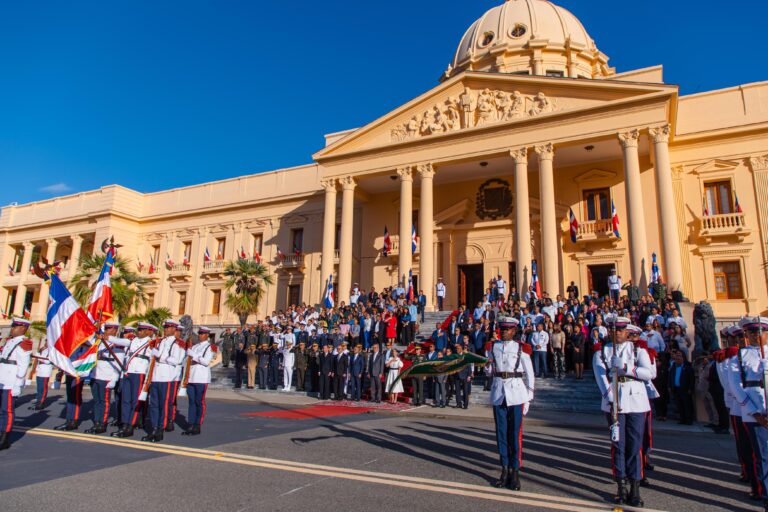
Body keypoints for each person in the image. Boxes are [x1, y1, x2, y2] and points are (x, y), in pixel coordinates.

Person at [593, 315, 653, 507]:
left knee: (635, 446)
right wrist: (611, 399)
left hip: (636, 401)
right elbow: (601, 379)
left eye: (621, 330)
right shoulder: (602, 352)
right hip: (615, 403)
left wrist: (626, 368)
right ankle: (621, 486)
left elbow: (649, 373)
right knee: (618, 446)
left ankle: (635, 487)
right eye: (614, 330)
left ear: (627, 331)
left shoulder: (638, 350)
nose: (617, 333)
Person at [488, 316, 534, 491]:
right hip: (499, 393)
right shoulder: (493, 347)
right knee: (501, 434)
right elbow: (491, 370)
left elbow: (530, 374)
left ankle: (515, 471)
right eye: (502, 329)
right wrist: (486, 366)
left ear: (514, 331)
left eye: (507, 329)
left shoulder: (522, 349)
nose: (503, 331)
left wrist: (529, 396)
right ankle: (504, 469)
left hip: (516, 394)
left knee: (514, 435)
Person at [727, 316, 768, 506]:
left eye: (760, 332)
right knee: (762, 456)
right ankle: (765, 493)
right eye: (752, 332)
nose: (756, 336)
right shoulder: (740, 357)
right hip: (755, 413)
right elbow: (736, 387)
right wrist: (756, 413)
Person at [111, 322, 157, 438]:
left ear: (147, 331)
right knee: (125, 400)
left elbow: (155, 358)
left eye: (141, 330)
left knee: (135, 401)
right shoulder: (133, 341)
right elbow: (120, 341)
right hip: (128, 372)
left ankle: (130, 426)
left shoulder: (151, 343)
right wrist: (106, 337)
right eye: (138, 330)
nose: (139, 332)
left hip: (140, 373)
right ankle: (125, 424)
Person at [142, 320, 184, 443]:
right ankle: (154, 428)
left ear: (174, 329)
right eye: (165, 327)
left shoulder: (178, 344)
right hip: (156, 376)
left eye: (168, 328)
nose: (165, 329)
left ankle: (160, 429)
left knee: (164, 405)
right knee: (153, 405)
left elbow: (176, 360)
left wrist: (161, 357)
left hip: (167, 377)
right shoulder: (160, 342)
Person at [86, 322, 126, 435]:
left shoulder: (118, 345)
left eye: (109, 329)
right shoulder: (99, 342)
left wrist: (114, 379)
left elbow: (119, 363)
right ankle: (97, 421)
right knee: (97, 401)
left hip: (107, 376)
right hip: (96, 375)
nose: (106, 330)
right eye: (106, 328)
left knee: (104, 402)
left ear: (115, 331)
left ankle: (102, 424)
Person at [0, 317, 33, 450]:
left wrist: (18, 384)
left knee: (7, 410)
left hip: (10, 382)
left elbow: (23, 366)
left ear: (23, 329)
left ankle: (5, 438)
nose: (12, 329)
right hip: (2, 380)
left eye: (15, 327)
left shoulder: (24, 343)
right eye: (12, 327)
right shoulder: (10, 342)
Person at [182, 326, 216, 436]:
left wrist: (194, 356)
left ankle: (197, 425)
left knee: (199, 402)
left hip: (201, 377)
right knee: (191, 402)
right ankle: (191, 424)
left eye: (202, 334)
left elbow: (206, 362)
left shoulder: (210, 347)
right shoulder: (195, 346)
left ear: (207, 335)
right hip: (191, 377)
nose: (200, 335)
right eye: (199, 334)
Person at [669, 349, 694, 424]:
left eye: (679, 357)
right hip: (676, 389)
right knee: (680, 405)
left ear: (683, 358)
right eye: (676, 358)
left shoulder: (688, 367)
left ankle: (689, 420)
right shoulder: (673, 367)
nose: (678, 359)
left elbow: (691, 379)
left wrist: (690, 388)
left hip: (685, 389)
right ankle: (682, 419)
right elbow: (670, 377)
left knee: (687, 405)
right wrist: (670, 386)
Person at [29, 337, 53, 411]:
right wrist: (39, 353)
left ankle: (41, 403)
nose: (46, 343)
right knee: (39, 388)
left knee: (43, 388)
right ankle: (38, 401)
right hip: (40, 370)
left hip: (45, 371)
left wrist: (40, 358)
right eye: (45, 341)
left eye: (47, 341)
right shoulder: (43, 349)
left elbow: (48, 361)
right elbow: (37, 356)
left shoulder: (51, 351)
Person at [454, 344, 472, 409]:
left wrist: (469, 375)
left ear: (461, 349)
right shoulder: (455, 356)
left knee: (465, 391)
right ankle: (458, 404)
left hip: (464, 375)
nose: (457, 350)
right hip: (456, 375)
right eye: (456, 349)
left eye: (458, 348)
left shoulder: (465, 356)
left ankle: (465, 404)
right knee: (457, 391)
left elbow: (469, 366)